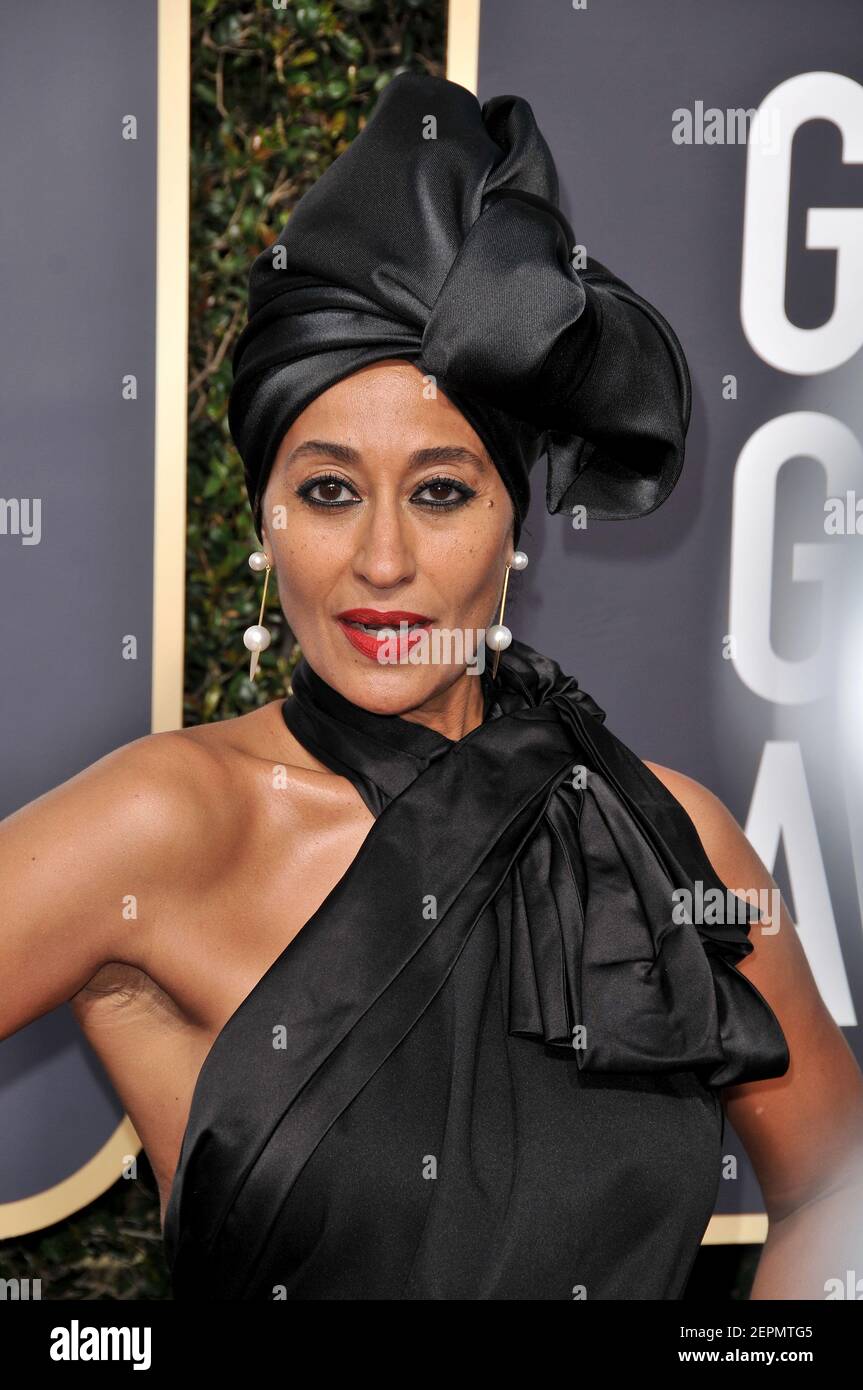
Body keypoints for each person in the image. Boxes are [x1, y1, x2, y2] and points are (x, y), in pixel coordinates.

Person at [3, 73, 862, 1301]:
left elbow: (835, 1182)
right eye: (329, 489)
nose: (384, 561)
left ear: (514, 525)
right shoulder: (168, 824)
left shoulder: (677, 848)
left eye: (443, 491)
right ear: (266, 521)